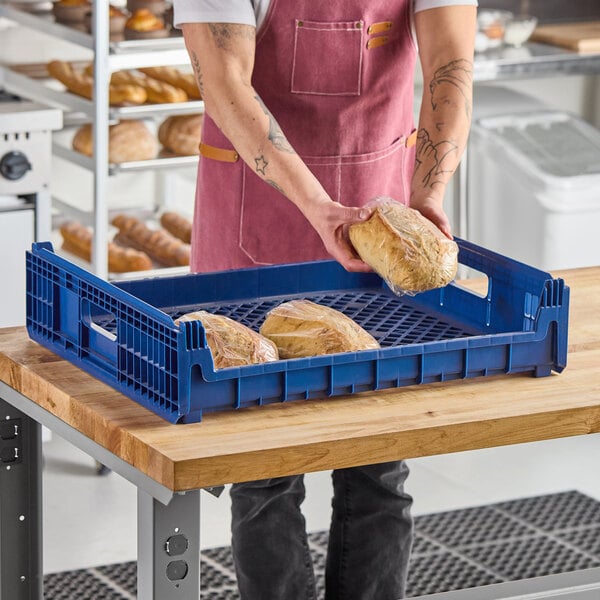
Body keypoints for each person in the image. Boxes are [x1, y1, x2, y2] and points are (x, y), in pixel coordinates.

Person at [174, 1, 477, 598]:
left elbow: (451, 60)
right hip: (257, 226)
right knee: (266, 475)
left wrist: (428, 193)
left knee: (380, 464)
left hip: (376, 233)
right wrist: (317, 206)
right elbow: (225, 79)